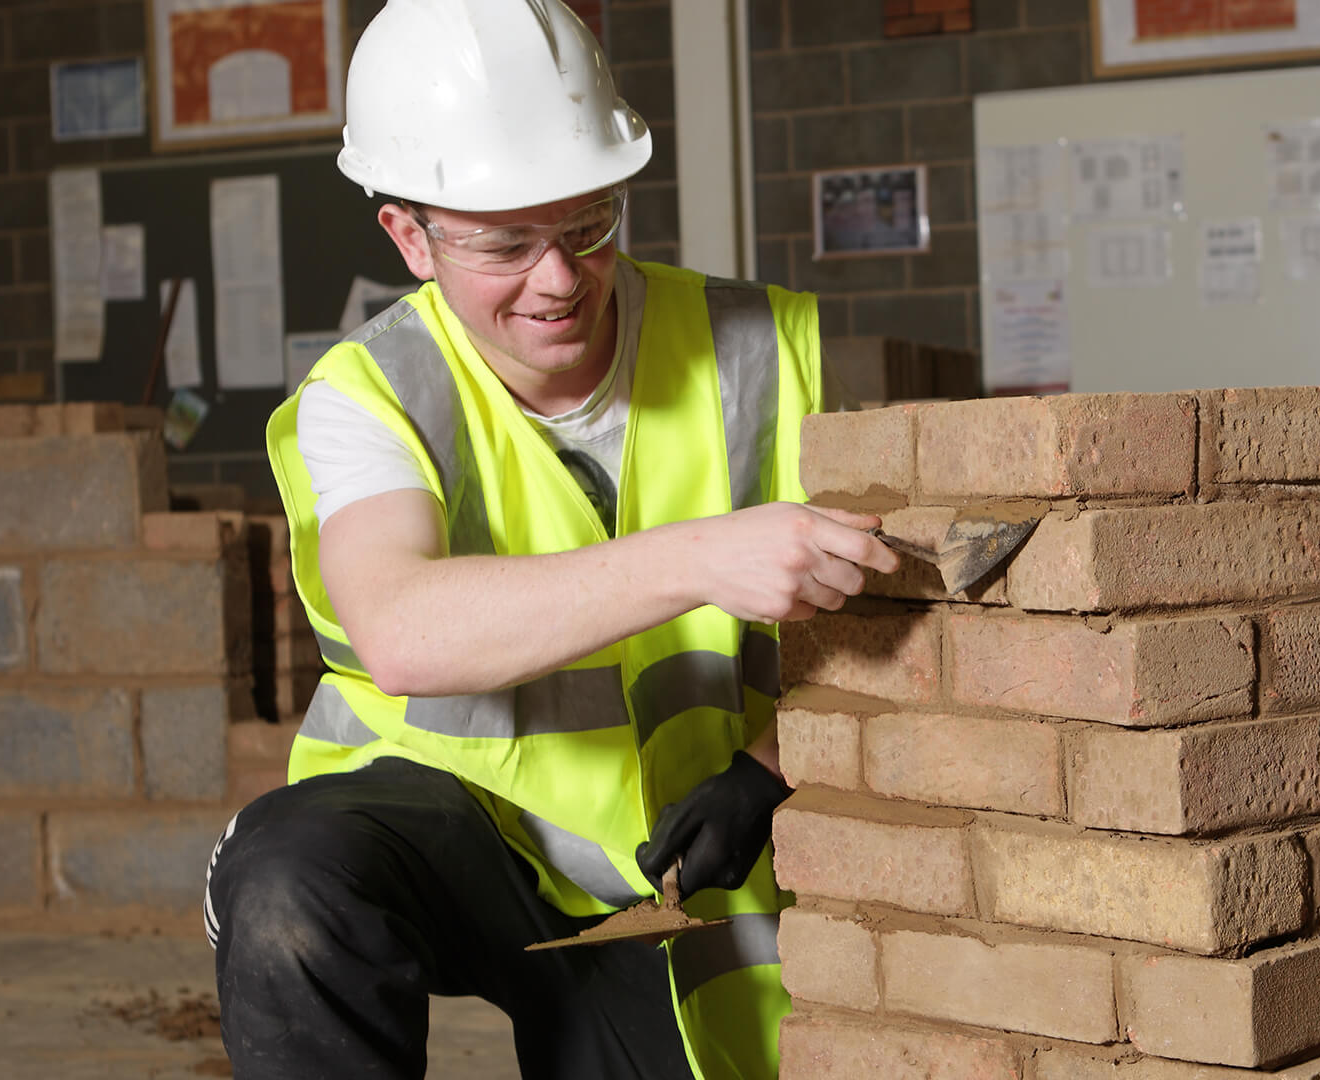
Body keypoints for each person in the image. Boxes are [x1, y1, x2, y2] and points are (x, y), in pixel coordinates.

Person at [201, 2, 897, 1078]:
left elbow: (888, 635)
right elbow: (401, 631)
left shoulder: (763, 351)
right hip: (445, 836)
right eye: (506, 244)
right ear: (410, 236)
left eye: (587, 225)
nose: (561, 277)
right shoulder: (371, 395)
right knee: (291, 884)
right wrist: (702, 555)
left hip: (666, 862)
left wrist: (768, 770)